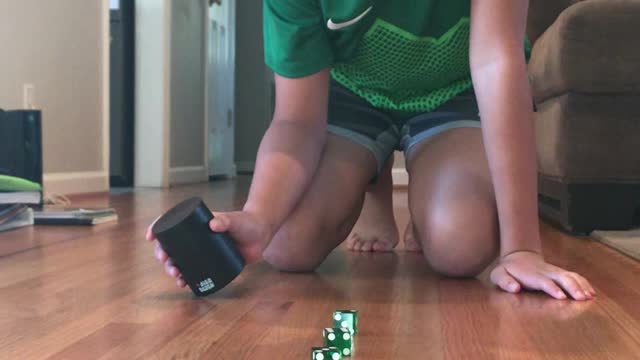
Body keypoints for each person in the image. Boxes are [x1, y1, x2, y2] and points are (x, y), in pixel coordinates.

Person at [146, 0, 595, 300]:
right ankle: (373, 180)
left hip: (455, 91)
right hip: (350, 97)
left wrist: (521, 249)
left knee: (460, 244)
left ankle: (429, 178)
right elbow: (296, 121)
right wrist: (259, 216)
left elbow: (498, 61)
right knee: (286, 245)